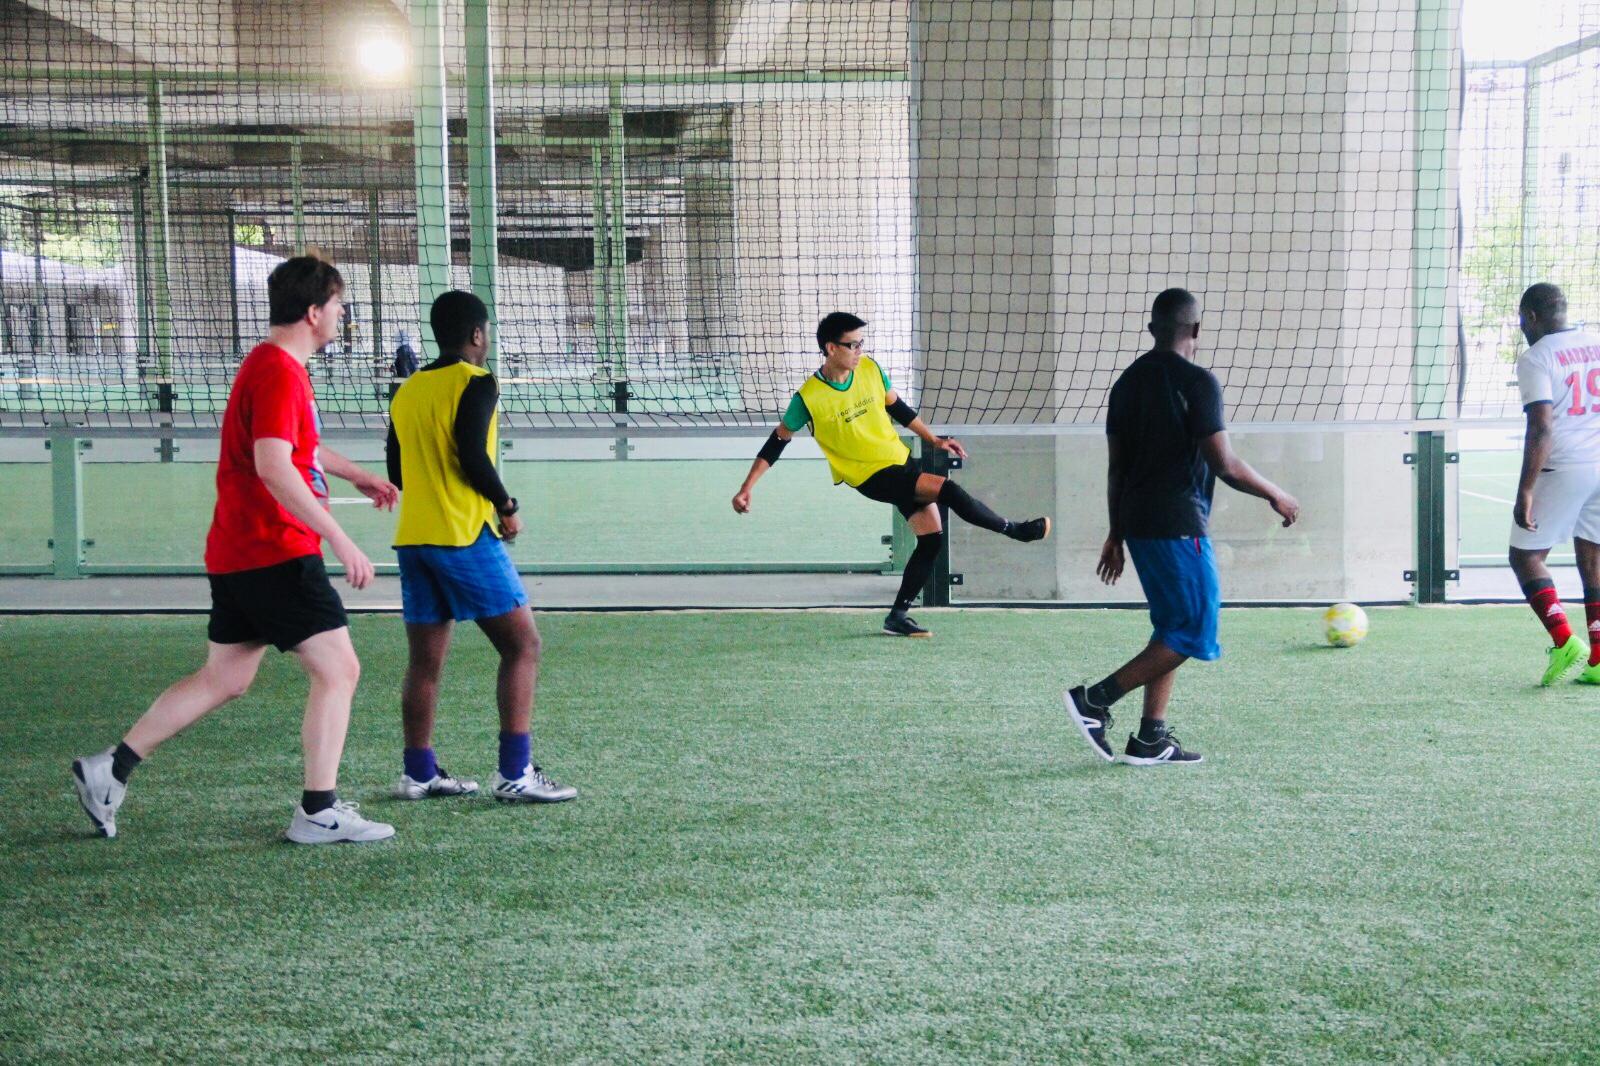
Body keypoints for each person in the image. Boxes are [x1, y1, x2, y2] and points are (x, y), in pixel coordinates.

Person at [71, 256, 400, 843]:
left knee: (224, 678)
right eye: (338, 305)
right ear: (313, 312)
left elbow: (298, 448)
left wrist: (358, 475)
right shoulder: (277, 372)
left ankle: (110, 770)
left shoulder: (274, 366)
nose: (342, 314)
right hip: (274, 549)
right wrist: (338, 535)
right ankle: (318, 810)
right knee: (339, 669)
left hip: (240, 552)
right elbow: (274, 466)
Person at [1065, 288, 1299, 765]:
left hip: (1139, 523)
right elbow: (1224, 464)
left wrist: (1116, 533)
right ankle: (1094, 701)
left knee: (1171, 627)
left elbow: (1116, 468)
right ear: (1196, 329)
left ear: (1152, 329)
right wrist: (1275, 493)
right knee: (1194, 629)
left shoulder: (1125, 384)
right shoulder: (1198, 382)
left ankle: (1150, 738)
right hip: (1178, 525)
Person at [732, 311, 1051, 638]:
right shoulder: (808, 398)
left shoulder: (870, 370)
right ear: (831, 348)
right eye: (852, 345)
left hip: (900, 461)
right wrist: (747, 488)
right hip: (870, 476)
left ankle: (897, 616)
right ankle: (1015, 530)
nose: (859, 351)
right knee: (949, 491)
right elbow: (777, 441)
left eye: (861, 343)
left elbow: (897, 407)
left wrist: (934, 440)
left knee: (931, 540)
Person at [385, 290, 576, 804]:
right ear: (476, 334)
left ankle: (418, 773)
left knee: (424, 662)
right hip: (463, 536)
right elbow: (472, 453)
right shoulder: (477, 381)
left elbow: (397, 471)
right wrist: (506, 505)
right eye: (485, 332)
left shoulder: (407, 390)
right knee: (523, 646)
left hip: (414, 539)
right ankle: (515, 773)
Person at [1507, 282, 1600, 686]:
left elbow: (1541, 428)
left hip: (1565, 466)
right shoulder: (1596, 343)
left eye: (1521, 320)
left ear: (1531, 316)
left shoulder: (1537, 357)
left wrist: (1525, 490)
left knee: (1525, 556)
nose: (1521, 327)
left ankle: (1564, 641)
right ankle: (1599, 657)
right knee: (1593, 554)